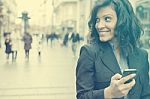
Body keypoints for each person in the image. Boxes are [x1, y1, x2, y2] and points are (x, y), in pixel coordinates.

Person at [76, 0, 150, 99]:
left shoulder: (142, 55)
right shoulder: (89, 53)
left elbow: (146, 95)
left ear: (123, 21)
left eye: (107, 19)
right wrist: (108, 93)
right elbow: (82, 96)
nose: (99, 25)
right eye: (97, 20)